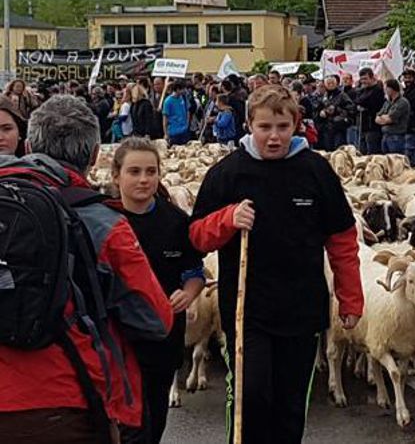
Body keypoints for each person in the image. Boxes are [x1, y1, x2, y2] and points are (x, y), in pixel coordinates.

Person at [189, 85, 363, 444]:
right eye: (265, 127)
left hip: (301, 307)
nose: (273, 137)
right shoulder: (229, 173)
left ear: (296, 124)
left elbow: (342, 239)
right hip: (247, 311)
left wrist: (351, 298)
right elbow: (196, 236)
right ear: (249, 124)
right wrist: (227, 219)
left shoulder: (316, 171)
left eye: (282, 127)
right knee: (250, 395)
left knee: (290, 404)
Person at [0, 95, 174, 442]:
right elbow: (155, 318)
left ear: (29, 144)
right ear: (95, 156)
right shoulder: (103, 223)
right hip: (64, 400)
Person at [111, 138, 205, 444]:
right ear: (116, 175)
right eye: (134, 171)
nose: (143, 179)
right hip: (117, 340)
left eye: (150, 171)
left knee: (154, 420)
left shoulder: (176, 221)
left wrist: (189, 293)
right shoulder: (103, 219)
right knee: (127, 427)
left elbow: (193, 272)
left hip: (163, 337)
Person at [376, 78, 411, 156]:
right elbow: (377, 118)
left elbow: (390, 119)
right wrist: (383, 117)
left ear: (391, 89)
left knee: (395, 160)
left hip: (396, 137)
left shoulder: (402, 102)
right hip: (385, 135)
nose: (384, 90)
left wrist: (384, 117)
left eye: (386, 88)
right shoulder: (387, 102)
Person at [355, 68, 385, 155]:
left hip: (373, 126)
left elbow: (366, 102)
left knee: (372, 153)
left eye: (365, 78)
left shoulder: (378, 90)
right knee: (362, 151)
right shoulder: (362, 90)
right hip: (363, 125)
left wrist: (362, 104)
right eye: (362, 79)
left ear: (372, 78)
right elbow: (356, 101)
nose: (363, 81)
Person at [401, 69, 415, 166]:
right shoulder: (405, 92)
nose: (407, 80)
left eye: (409, 78)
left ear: (414, 78)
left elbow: (413, 109)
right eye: (405, 78)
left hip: (412, 127)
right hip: (405, 127)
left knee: (410, 152)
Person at [162, 81, 190, 147]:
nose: (184, 91)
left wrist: (187, 124)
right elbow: (165, 118)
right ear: (177, 89)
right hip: (173, 133)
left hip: (184, 131)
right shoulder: (168, 101)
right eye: (182, 89)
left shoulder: (183, 98)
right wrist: (166, 133)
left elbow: (187, 111)